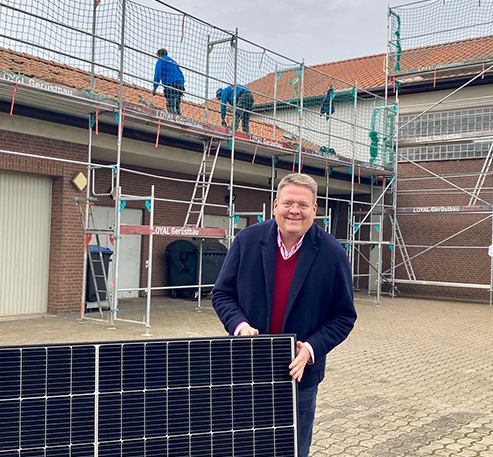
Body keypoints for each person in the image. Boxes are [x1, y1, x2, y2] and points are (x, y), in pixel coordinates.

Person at [212, 173, 356, 457]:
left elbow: (343, 316)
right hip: (248, 368)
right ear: (275, 205)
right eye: (288, 203)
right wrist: (239, 325)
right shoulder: (247, 241)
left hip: (299, 374)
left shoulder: (332, 253)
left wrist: (311, 349)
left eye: (303, 205)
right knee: (244, 445)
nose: (295, 211)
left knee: (293, 448)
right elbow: (222, 294)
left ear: (315, 210)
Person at [152, 48, 185, 116]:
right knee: (177, 103)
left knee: (170, 103)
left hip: (170, 83)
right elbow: (180, 73)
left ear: (158, 55)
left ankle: (172, 116)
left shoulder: (161, 61)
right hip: (180, 84)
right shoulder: (173, 62)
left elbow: (157, 74)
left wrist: (155, 88)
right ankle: (178, 115)